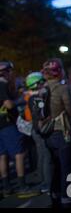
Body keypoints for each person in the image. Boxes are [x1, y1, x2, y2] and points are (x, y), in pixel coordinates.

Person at [41, 58, 71, 207]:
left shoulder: (42, 88)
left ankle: (54, 198)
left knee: (54, 167)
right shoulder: (62, 88)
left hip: (47, 133)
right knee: (69, 168)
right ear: (59, 71)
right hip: (63, 132)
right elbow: (70, 110)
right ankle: (70, 199)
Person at [0, 61, 31, 197]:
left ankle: (7, 186)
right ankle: (22, 186)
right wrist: (22, 100)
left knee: (3, 155)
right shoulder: (2, 84)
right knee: (19, 153)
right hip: (7, 124)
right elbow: (9, 105)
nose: (13, 73)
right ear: (6, 71)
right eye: (11, 71)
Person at [24, 72, 52, 194]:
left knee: (42, 155)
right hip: (40, 130)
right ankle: (47, 183)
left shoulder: (32, 97)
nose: (44, 84)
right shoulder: (35, 98)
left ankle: (43, 180)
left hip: (36, 130)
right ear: (37, 84)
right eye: (42, 82)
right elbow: (40, 115)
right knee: (46, 156)